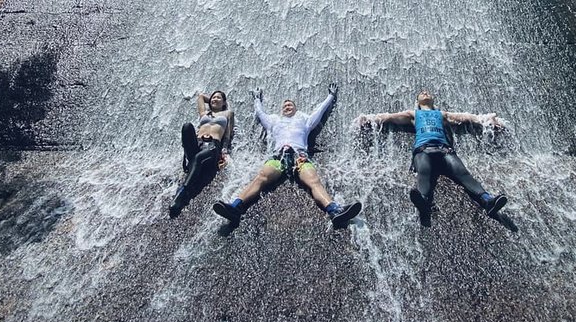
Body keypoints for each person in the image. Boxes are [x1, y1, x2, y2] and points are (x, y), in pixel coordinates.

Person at [213, 84, 362, 227]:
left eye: (290, 105)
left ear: (296, 108)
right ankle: (235, 207)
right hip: (278, 157)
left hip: (300, 157)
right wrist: (257, 100)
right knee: (260, 178)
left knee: (314, 182)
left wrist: (330, 96)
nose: (287, 106)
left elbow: (320, 111)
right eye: (285, 105)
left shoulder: (305, 121)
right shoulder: (273, 121)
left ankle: (334, 211)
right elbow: (260, 113)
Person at [357, 90, 507, 227]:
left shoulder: (441, 114)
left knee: (463, 173)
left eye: (427, 92)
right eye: (421, 93)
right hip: (423, 149)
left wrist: (485, 119)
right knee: (424, 171)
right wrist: (370, 119)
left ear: (433, 100)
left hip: (444, 149)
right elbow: (389, 117)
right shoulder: (413, 114)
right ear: (417, 101)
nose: (425, 92)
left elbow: (465, 117)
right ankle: (423, 202)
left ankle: (487, 200)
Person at [170, 90, 234, 218]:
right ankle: (187, 184)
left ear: (224, 102)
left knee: (198, 158)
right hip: (197, 144)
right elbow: (200, 97)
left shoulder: (228, 113)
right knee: (187, 126)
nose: (215, 99)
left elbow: (228, 134)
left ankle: (182, 192)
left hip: (212, 146)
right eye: (213, 98)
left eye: (218, 98)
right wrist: (210, 99)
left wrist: (224, 151)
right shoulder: (204, 113)